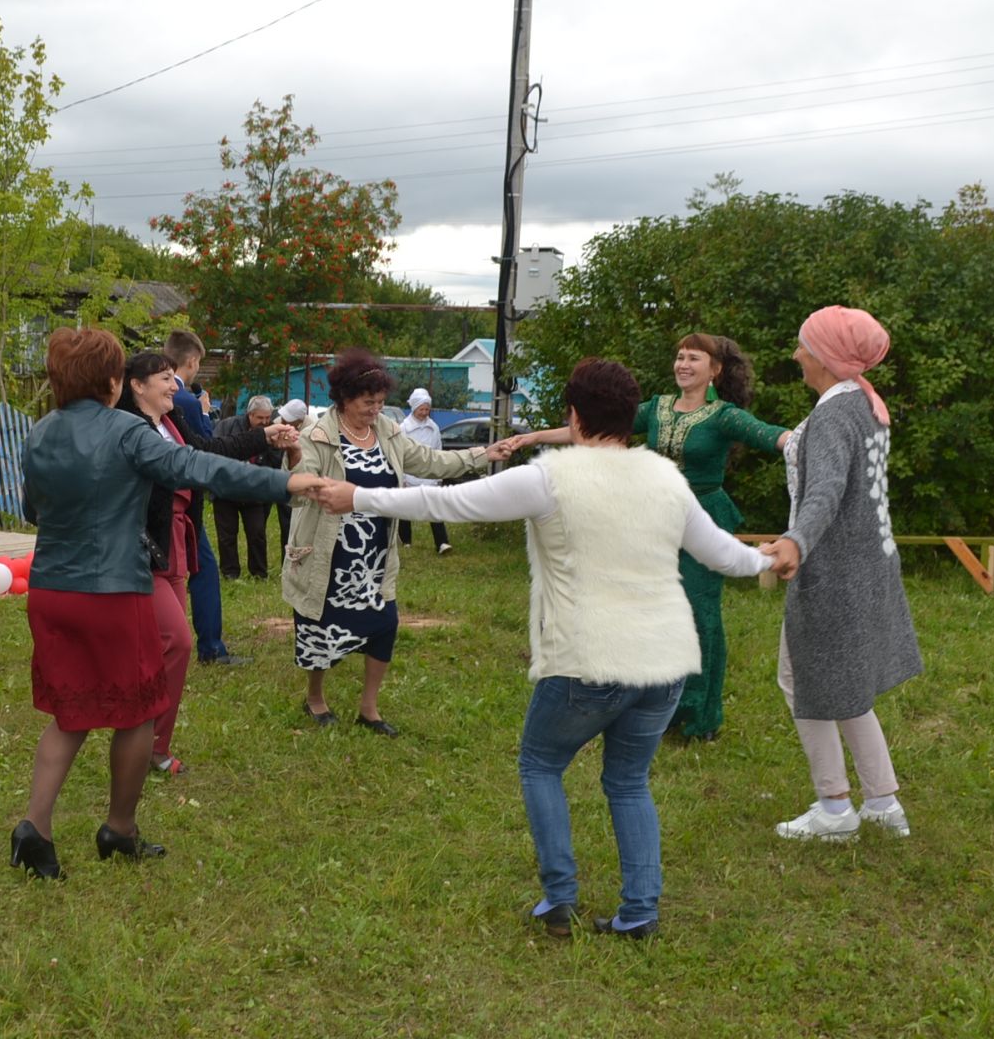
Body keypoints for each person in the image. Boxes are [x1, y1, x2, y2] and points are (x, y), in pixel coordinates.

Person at [309, 358, 777, 938]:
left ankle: (560, 900)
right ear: (633, 420)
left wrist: (358, 497)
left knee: (541, 763)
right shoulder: (666, 478)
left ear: (573, 416)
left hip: (589, 658)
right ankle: (641, 912)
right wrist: (772, 559)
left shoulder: (548, 477)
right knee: (629, 781)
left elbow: (445, 504)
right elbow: (725, 556)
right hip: (665, 663)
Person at [11, 328, 321, 879]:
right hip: (112, 589)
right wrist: (287, 484)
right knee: (134, 711)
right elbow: (198, 468)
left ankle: (34, 828)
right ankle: (119, 830)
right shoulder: (129, 431)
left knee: (71, 710)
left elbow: (34, 512)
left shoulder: (39, 434)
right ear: (112, 381)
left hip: (51, 590)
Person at [509, 334, 789, 740]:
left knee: (699, 612)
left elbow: (771, 436)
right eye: (679, 357)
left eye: (694, 358)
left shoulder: (723, 415)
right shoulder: (657, 408)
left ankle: (698, 715)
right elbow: (594, 427)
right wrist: (531, 438)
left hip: (706, 518)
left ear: (715, 370)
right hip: (655, 515)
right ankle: (658, 706)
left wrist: (809, 438)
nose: (683, 364)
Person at [760, 306, 922, 844]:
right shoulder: (863, 404)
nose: (796, 355)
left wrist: (795, 541)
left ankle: (835, 807)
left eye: (803, 346)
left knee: (803, 680)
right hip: (868, 562)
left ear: (826, 357)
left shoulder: (834, 414)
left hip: (835, 569)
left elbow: (825, 491)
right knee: (846, 685)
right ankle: (882, 801)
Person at [283, 348, 495, 735]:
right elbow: (300, 489)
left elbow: (432, 462)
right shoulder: (315, 435)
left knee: (384, 625)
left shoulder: (388, 433)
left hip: (376, 556)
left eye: (380, 402)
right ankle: (315, 696)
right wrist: (294, 456)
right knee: (319, 627)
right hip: (329, 554)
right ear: (345, 397)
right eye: (368, 402)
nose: (375, 409)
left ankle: (369, 709)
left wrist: (483, 455)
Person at [117, 358, 298, 774]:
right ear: (137, 386)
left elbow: (208, 452)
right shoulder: (128, 429)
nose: (174, 385)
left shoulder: (173, 420)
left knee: (169, 647)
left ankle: (154, 745)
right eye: (165, 379)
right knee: (177, 641)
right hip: (143, 549)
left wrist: (262, 436)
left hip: (177, 541)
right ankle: (143, 743)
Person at [164, 329, 239, 665]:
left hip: (163, 498)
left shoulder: (154, 391)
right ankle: (211, 645)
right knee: (203, 569)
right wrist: (206, 411)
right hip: (186, 499)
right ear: (192, 361)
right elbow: (206, 445)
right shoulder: (185, 401)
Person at [213, 395, 284, 580]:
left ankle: (259, 573)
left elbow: (276, 463)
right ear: (250, 414)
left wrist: (275, 447)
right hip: (226, 490)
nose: (265, 422)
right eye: (260, 418)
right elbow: (215, 451)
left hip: (255, 492)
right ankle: (230, 573)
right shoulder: (228, 426)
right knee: (227, 535)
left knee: (257, 533)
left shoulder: (272, 431)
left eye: (268, 418)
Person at [396, 388, 454, 555]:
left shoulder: (433, 427)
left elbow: (438, 450)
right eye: (421, 409)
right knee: (406, 508)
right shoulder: (403, 428)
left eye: (427, 409)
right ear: (414, 408)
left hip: (429, 476)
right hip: (410, 475)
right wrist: (403, 477)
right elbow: (400, 454)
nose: (424, 412)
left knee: (434, 508)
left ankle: (442, 543)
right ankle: (405, 540)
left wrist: (439, 473)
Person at [274, 399, 310, 548]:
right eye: (283, 417)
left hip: (302, 485)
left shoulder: (311, 433)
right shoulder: (279, 422)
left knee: (297, 527)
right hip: (284, 479)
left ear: (300, 422)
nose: (283, 421)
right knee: (285, 525)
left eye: (288, 419)